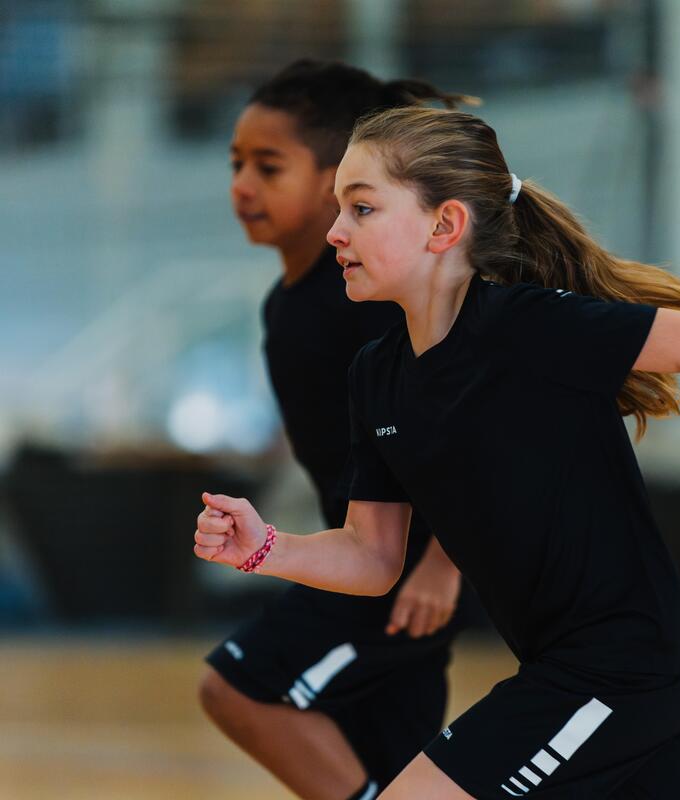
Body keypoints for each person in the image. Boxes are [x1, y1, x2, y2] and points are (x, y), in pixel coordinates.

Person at [195, 106, 680, 799]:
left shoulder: (528, 328)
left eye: (362, 208)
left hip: (621, 671)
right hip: (568, 668)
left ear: (444, 226)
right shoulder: (377, 375)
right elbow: (373, 557)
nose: (334, 231)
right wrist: (265, 547)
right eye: (338, 208)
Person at [199, 64, 479, 800]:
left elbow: (471, 427)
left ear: (335, 182)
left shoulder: (367, 297)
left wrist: (443, 566)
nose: (242, 186)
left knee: (237, 687)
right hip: (361, 563)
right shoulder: (285, 307)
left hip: (405, 575)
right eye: (235, 164)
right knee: (402, 773)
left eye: (268, 166)